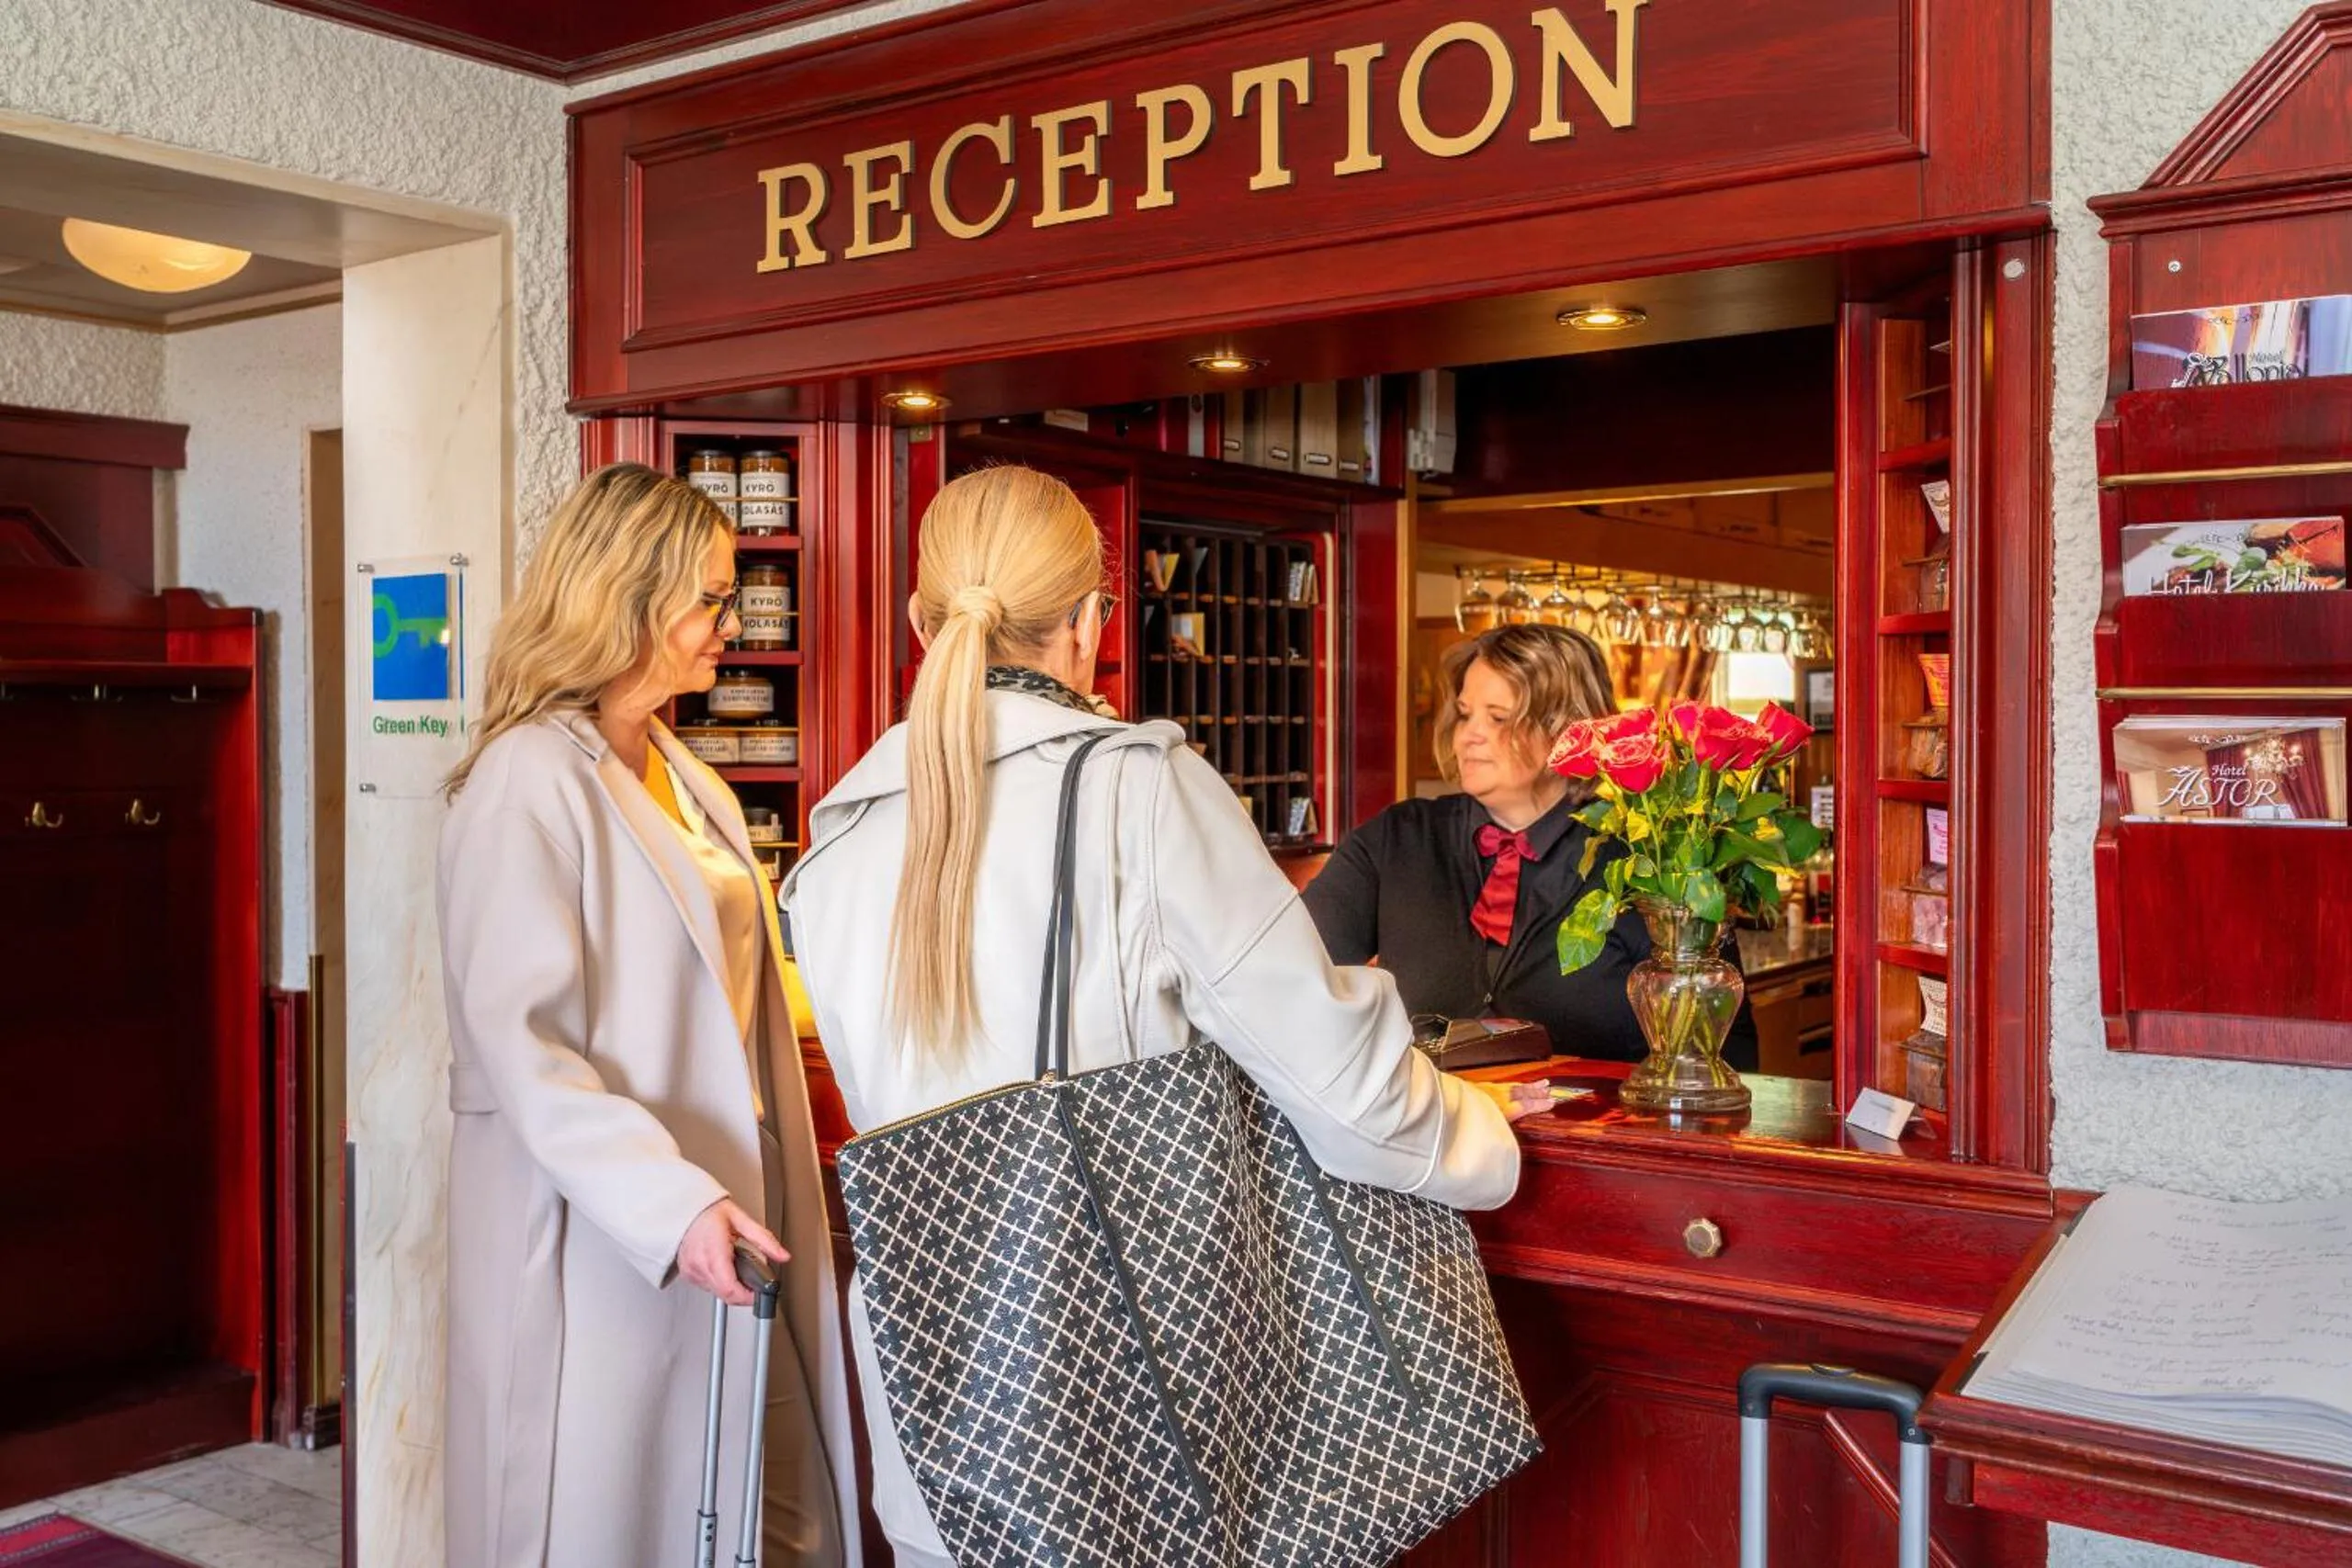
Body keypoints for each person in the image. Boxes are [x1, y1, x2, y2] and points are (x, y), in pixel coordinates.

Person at [780, 465, 1547, 1568]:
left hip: (935, 1401)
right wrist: (1483, 1144)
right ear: (1094, 621)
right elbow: (1343, 1089)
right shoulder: (1136, 786)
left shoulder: (837, 834)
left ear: (918, 620)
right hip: (1126, 1390)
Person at [435, 464, 859, 1568]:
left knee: (715, 1505)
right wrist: (669, 1203)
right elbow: (522, 1046)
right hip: (598, 1227)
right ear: (629, 595)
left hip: (725, 1199)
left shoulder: (686, 772)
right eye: (711, 598)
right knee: (603, 1507)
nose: (727, 623)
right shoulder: (528, 778)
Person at [1304, 623, 1758, 1067]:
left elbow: (1725, 1052)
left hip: (1594, 1136)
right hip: (1430, 1136)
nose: (1470, 734)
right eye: (1465, 713)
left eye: (1499, 717)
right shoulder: (1397, 840)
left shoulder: (1650, 860)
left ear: (1568, 729)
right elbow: (1291, 974)